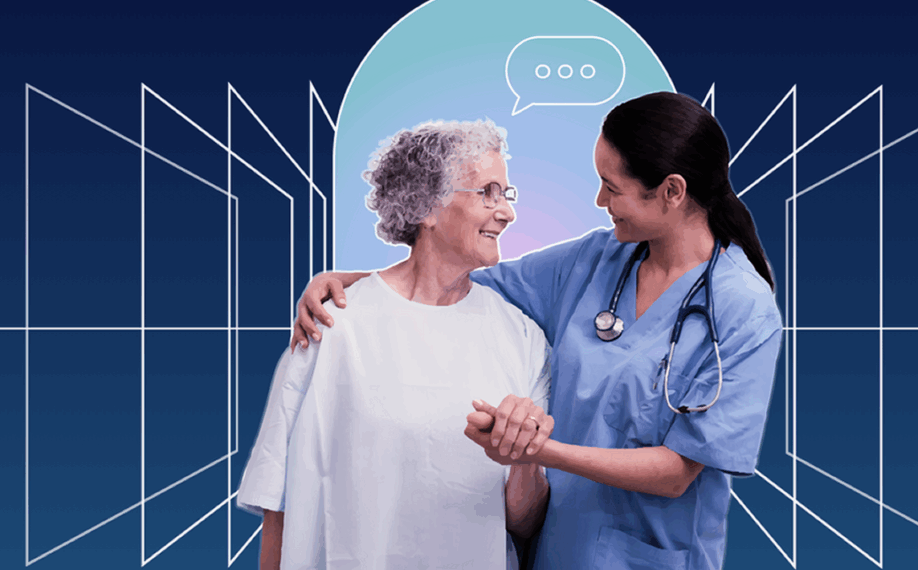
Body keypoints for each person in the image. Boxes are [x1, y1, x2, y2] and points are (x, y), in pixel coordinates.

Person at [292, 92, 783, 570]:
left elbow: (678, 473)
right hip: (554, 550)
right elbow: (460, 274)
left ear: (672, 192)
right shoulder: (596, 260)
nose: (599, 200)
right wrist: (354, 282)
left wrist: (535, 450)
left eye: (612, 188)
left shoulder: (743, 310)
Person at [236, 119, 554, 570]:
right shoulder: (332, 325)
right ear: (426, 205)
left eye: (506, 194)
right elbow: (279, 498)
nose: (506, 211)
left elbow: (523, 521)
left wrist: (525, 456)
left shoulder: (521, 338)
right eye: (487, 192)